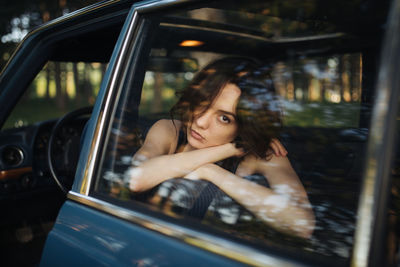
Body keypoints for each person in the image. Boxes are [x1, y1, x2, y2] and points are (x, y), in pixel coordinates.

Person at [128, 57, 315, 238]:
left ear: (245, 125)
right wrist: (230, 148)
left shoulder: (263, 156)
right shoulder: (170, 131)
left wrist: (211, 172)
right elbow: (136, 178)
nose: (200, 121)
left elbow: (303, 224)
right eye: (203, 103)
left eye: (224, 118)